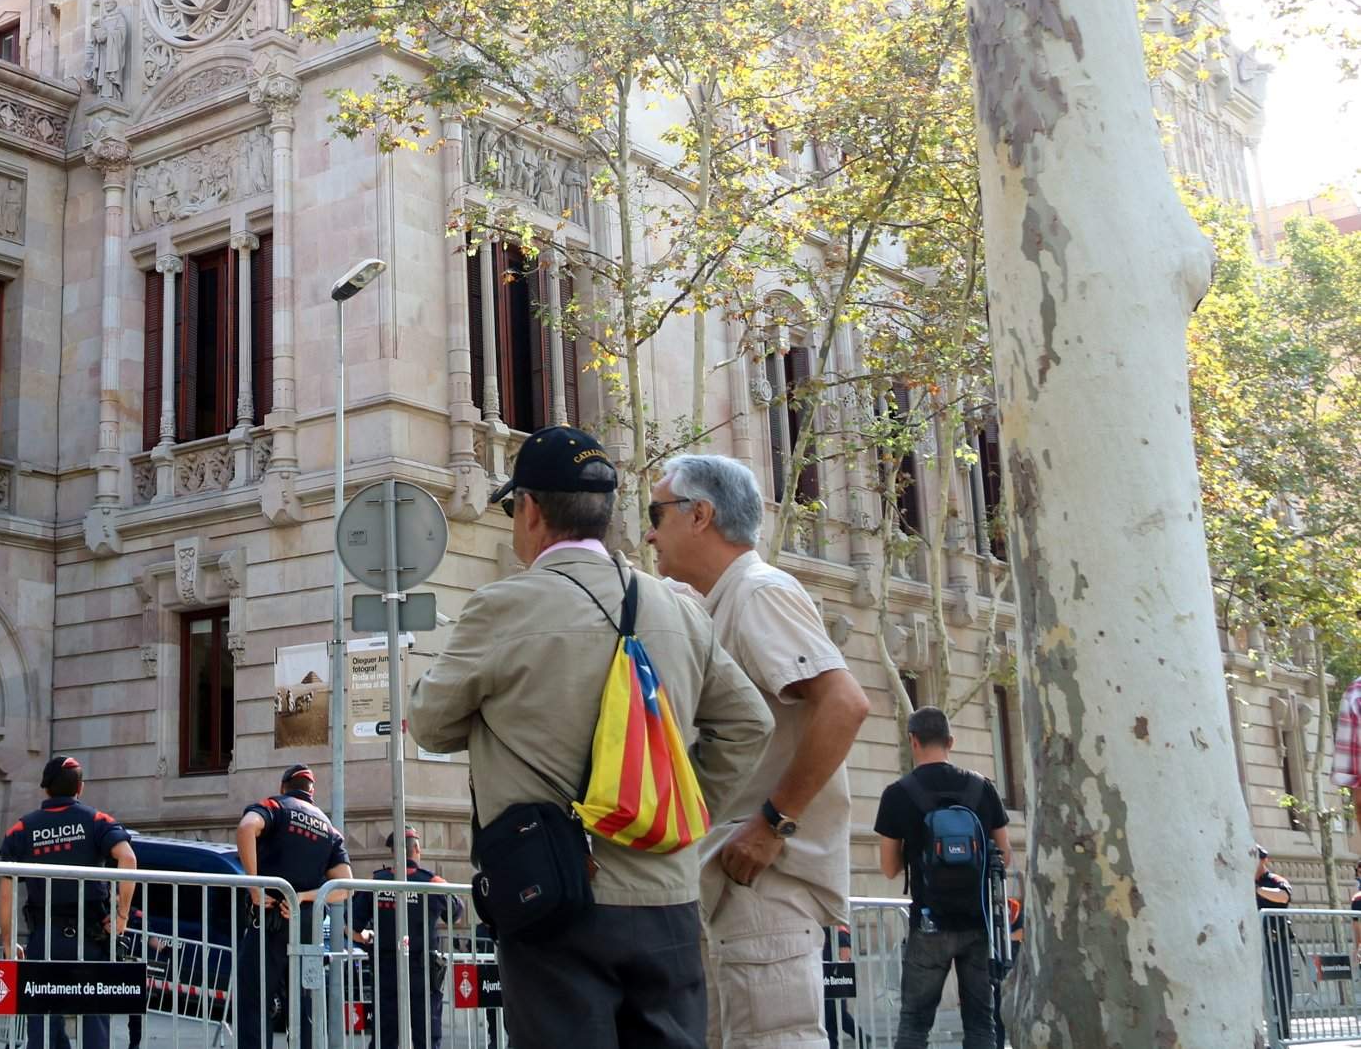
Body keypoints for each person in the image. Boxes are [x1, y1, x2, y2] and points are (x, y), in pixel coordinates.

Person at [410, 426, 773, 1049]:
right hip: (668, 897)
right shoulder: (678, 608)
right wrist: (676, 808)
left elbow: (431, 724)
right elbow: (750, 724)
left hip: (554, 896)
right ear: (605, 514)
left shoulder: (504, 607)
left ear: (529, 509)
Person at [648, 454, 871, 1049]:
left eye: (656, 513)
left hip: (764, 888)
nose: (648, 531)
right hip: (736, 884)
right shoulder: (722, 599)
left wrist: (773, 823)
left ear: (700, 515)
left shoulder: (759, 592)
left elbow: (844, 704)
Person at [874, 707, 1012, 1049]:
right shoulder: (983, 788)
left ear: (912, 741)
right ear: (951, 741)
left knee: (914, 1026)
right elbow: (1006, 855)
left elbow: (888, 867)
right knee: (981, 1026)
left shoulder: (897, 794)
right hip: (979, 927)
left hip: (929, 925)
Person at [0, 754, 140, 1049]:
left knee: (42, 1015)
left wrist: (9, 940)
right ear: (80, 788)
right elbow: (128, 858)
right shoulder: (98, 821)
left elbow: (6, 883)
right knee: (94, 1015)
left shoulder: (24, 828)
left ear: (46, 790)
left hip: (44, 937)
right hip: (91, 938)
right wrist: (122, 916)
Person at [237, 765, 355, 1047]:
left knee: (255, 1001)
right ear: (312, 792)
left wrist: (255, 886)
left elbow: (246, 828)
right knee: (305, 1006)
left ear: (284, 787)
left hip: (267, 922)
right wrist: (303, 897)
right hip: (305, 925)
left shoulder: (276, 807)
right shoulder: (329, 829)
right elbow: (345, 887)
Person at [351, 829, 451, 1048]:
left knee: (385, 1036)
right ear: (416, 849)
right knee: (426, 1035)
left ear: (393, 851)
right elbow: (456, 914)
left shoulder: (377, 881)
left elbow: (350, 925)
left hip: (386, 968)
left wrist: (365, 937)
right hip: (422, 969)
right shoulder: (432, 882)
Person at [1256, 845, 1296, 1040]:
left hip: (1276, 942)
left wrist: (1257, 890)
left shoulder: (1273, 880)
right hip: (1255, 944)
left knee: (1281, 987)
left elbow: (1284, 896)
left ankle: (1282, 1034)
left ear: (1264, 860)